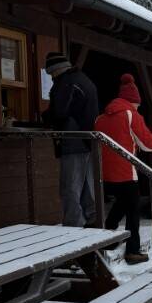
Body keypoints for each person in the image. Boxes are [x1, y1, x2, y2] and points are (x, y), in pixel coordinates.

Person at [93, 74, 152, 265]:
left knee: (123, 202)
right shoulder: (130, 114)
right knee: (133, 210)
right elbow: (147, 144)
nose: (138, 108)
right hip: (125, 170)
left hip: (104, 172)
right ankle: (133, 251)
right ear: (134, 102)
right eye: (137, 105)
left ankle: (108, 236)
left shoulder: (100, 118)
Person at [43, 52, 99, 227]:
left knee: (70, 187)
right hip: (87, 139)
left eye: (51, 74)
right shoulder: (83, 79)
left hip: (73, 140)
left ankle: (73, 226)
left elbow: (59, 112)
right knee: (86, 187)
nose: (52, 78)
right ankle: (93, 220)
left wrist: (45, 118)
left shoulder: (66, 82)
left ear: (56, 70)